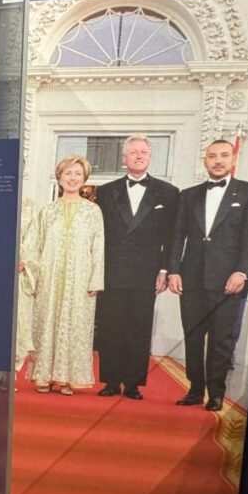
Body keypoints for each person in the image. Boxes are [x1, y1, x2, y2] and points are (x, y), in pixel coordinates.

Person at [168, 140, 248, 412]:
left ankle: (217, 393)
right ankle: (195, 388)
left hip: (229, 281)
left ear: (233, 158)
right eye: (212, 156)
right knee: (193, 336)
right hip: (192, 278)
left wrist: (242, 272)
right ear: (205, 161)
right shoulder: (188, 195)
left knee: (222, 339)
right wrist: (174, 269)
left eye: (223, 155)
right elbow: (177, 237)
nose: (217, 160)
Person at [93, 136, 178, 399]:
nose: (138, 156)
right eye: (133, 152)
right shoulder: (105, 191)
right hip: (112, 272)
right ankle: (110, 381)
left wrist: (165, 270)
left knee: (138, 328)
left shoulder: (169, 192)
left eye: (143, 152)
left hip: (146, 273)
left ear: (150, 157)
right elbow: (97, 236)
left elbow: (173, 236)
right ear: (124, 158)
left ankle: (132, 384)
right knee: (111, 327)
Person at [20, 156, 104, 395]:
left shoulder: (93, 211)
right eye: (68, 173)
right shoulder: (48, 211)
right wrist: (31, 273)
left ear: (84, 178)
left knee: (75, 325)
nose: (72, 178)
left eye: (77, 173)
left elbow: (98, 247)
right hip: (49, 277)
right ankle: (43, 376)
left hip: (80, 279)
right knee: (47, 323)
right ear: (59, 178)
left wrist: (95, 280)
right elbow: (35, 245)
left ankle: (68, 378)